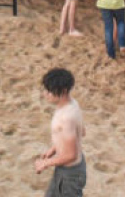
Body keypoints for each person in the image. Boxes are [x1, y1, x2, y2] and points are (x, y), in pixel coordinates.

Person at [35, 67, 87, 197]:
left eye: (49, 91)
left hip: (69, 174)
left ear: (63, 91)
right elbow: (82, 131)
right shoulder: (73, 104)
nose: (45, 94)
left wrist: (45, 163)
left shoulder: (66, 118)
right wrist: (54, 149)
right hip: (67, 169)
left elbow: (71, 155)